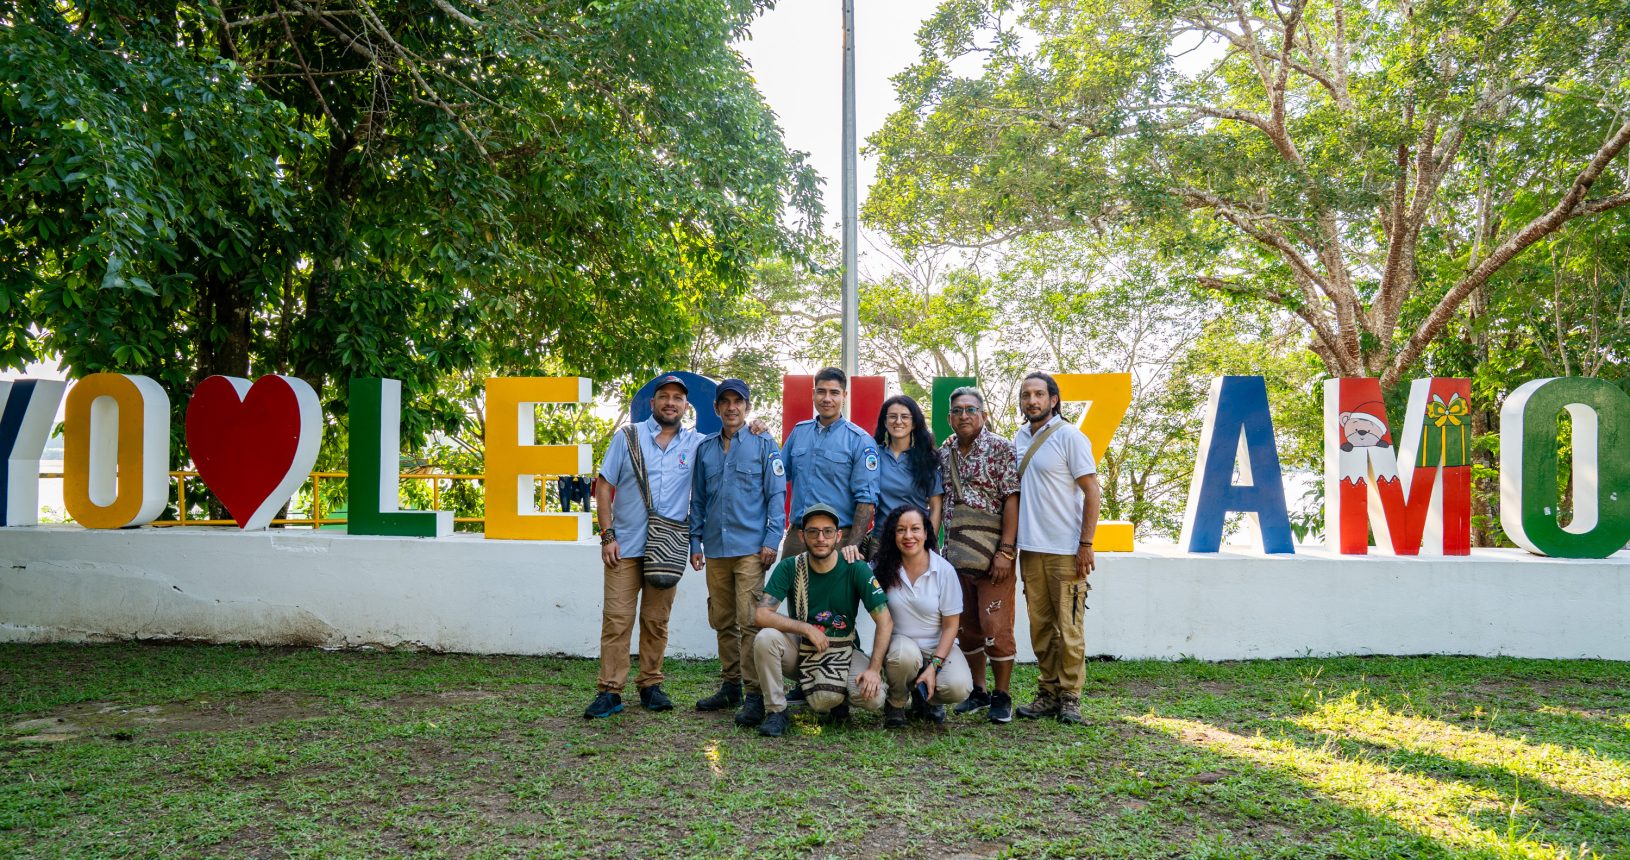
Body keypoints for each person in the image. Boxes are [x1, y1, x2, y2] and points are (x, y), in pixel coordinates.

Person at [585, 375, 702, 719]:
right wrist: (607, 536)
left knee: (656, 621)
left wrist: (756, 426)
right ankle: (610, 691)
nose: (670, 403)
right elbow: (604, 486)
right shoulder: (628, 437)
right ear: (652, 403)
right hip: (624, 547)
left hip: (666, 548)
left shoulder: (697, 443)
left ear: (686, 406)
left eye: (677, 398)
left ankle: (651, 684)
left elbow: (731, 439)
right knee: (617, 620)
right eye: (664, 396)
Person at [687, 379, 786, 727]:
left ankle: (754, 694)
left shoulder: (763, 442)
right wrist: (695, 542)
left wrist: (772, 540)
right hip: (715, 549)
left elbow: (776, 495)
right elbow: (698, 499)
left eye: (738, 402)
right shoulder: (705, 449)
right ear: (716, 408)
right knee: (722, 619)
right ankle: (730, 685)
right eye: (725, 402)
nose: (732, 407)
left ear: (747, 406)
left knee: (749, 621)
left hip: (750, 550)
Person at [750, 504, 893, 737]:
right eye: (813, 531)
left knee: (873, 698)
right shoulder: (790, 567)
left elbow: (885, 621)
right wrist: (805, 628)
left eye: (827, 531)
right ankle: (776, 711)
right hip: (804, 650)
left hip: (844, 650)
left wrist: (874, 670)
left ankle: (840, 698)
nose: (820, 538)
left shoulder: (855, 567)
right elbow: (761, 614)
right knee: (766, 638)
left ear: (838, 536)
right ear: (801, 535)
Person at [1013, 372, 1101, 725]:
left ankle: (1070, 697)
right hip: (1030, 549)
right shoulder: (1019, 437)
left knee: (1070, 628)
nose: (1032, 400)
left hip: (1066, 550)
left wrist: (1086, 544)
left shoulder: (1070, 436)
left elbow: (1092, 492)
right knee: (1041, 628)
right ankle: (1047, 692)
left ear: (1053, 399)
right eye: (1026, 395)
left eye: (1039, 394)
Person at [936, 386, 1022, 724]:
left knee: (995, 626)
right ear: (949, 418)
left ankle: (1002, 695)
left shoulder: (1001, 449)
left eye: (970, 409)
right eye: (957, 411)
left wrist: (1006, 551)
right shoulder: (945, 452)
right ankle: (979, 690)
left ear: (983, 415)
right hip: (956, 556)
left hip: (993, 557)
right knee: (967, 626)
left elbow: (1011, 498)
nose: (964, 416)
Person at [874, 504, 973, 728]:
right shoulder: (883, 568)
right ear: (893, 535)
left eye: (915, 529)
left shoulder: (944, 570)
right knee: (903, 656)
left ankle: (926, 698)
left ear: (927, 533)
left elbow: (951, 626)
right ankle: (896, 702)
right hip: (901, 648)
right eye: (901, 530)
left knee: (959, 686)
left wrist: (934, 666)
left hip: (937, 648)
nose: (908, 536)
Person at [779, 367, 879, 558]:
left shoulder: (860, 440)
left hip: (838, 539)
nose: (827, 398)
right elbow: (776, 478)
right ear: (813, 394)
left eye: (834, 392)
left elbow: (866, 501)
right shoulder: (799, 433)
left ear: (844, 396)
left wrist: (852, 546)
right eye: (821, 391)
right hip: (798, 537)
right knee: (791, 579)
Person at [868, 395, 943, 555]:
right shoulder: (873, 456)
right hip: (881, 542)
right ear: (884, 422)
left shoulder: (927, 459)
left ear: (914, 422)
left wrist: (928, 542)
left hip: (916, 542)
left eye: (905, 416)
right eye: (892, 416)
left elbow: (936, 506)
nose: (898, 421)